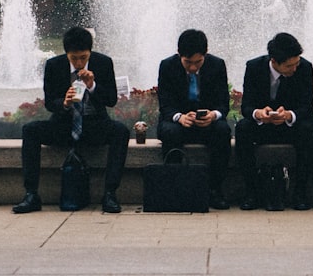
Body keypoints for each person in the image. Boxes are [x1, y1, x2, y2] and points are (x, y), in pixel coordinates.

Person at [13, 26, 129, 214]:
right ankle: (31, 194)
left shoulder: (103, 63)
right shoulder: (54, 65)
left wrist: (92, 86)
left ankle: (110, 194)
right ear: (66, 53)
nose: (79, 63)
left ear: (90, 52)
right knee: (30, 130)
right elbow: (50, 102)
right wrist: (64, 103)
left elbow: (111, 100)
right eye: (74, 58)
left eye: (83, 57)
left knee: (121, 132)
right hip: (64, 125)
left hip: (94, 124)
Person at [235, 32, 313, 211]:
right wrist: (259, 113)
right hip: (263, 125)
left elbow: (306, 106)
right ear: (274, 61)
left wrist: (289, 115)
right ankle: (252, 192)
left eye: (296, 63)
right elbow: (246, 106)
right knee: (242, 128)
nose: (294, 68)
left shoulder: (305, 68)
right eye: (289, 66)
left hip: (289, 126)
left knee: (308, 129)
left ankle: (300, 193)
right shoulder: (254, 67)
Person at [156, 28, 232, 209]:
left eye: (198, 62)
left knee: (223, 131)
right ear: (179, 54)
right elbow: (165, 104)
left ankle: (215, 189)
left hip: (206, 122)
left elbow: (223, 104)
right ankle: (174, 188)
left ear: (205, 54)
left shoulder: (217, 65)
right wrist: (179, 117)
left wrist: (213, 115)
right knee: (169, 131)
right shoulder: (167, 66)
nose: (192, 67)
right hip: (179, 121)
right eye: (187, 62)